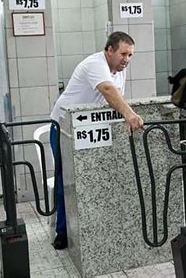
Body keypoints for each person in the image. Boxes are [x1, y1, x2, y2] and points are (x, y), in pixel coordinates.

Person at [49, 31, 144, 249]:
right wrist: (130, 115)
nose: (127, 60)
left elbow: (117, 100)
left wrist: (125, 118)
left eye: (130, 55)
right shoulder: (95, 63)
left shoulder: (119, 70)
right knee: (67, 180)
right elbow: (108, 90)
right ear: (109, 50)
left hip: (89, 126)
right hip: (63, 126)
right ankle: (63, 232)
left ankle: (93, 227)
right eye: (123, 54)